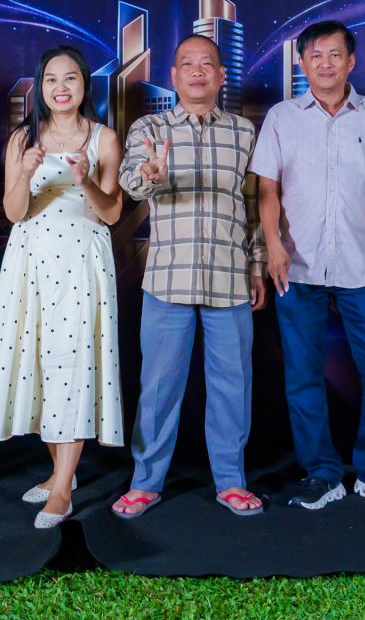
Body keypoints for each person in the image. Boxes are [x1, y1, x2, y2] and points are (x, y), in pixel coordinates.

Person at [251, 19, 365, 510]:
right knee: (302, 373)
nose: (325, 63)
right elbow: (267, 189)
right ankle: (321, 472)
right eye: (315, 55)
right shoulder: (282, 117)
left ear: (351, 61)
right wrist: (273, 245)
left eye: (335, 54)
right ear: (302, 63)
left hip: (363, 265)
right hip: (296, 266)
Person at [111, 35, 267, 520]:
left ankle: (231, 481)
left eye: (206, 64)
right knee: (158, 387)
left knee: (232, 386)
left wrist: (257, 264)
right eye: (187, 64)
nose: (197, 71)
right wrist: (151, 174)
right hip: (168, 279)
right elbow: (130, 182)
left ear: (221, 76)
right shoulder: (150, 127)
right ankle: (145, 483)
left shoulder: (244, 132)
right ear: (174, 76)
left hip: (229, 277)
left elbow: (255, 206)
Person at [0, 45, 125, 529]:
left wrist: (86, 180)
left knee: (73, 365)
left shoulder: (104, 138)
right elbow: (14, 212)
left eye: (70, 78)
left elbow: (111, 214)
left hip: (82, 261)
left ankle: (62, 488)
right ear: (40, 87)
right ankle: (60, 472)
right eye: (51, 80)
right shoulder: (22, 138)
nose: (60, 88)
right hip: (30, 259)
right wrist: (23, 173)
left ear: (85, 84)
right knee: (41, 365)